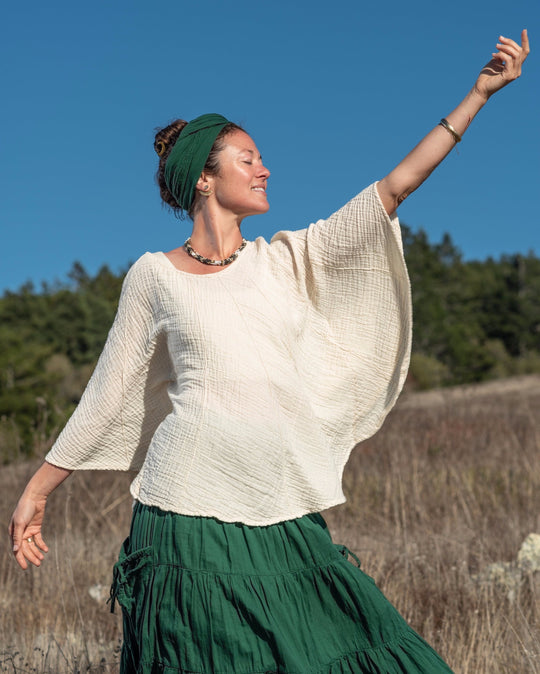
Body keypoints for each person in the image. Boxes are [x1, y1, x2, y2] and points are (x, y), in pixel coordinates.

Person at [9, 31, 529, 674]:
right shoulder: (153, 275)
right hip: (184, 519)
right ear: (205, 176)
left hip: (279, 509)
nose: (265, 168)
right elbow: (109, 393)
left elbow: (393, 189)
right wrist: (38, 489)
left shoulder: (288, 259)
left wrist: (478, 95)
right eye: (248, 158)